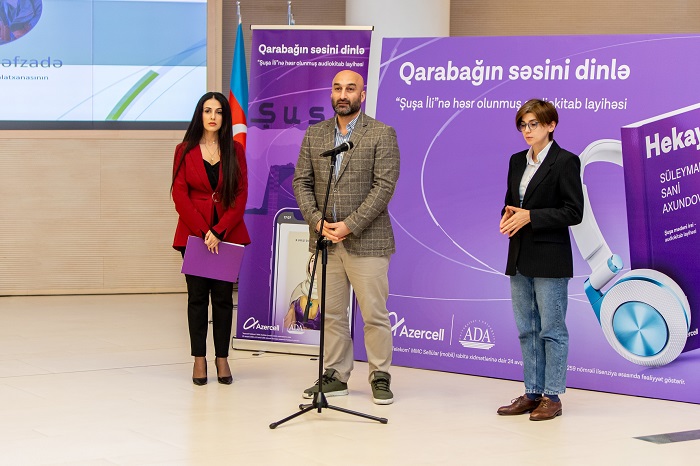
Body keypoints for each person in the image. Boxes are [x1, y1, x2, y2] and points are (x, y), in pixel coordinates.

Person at [292, 69, 400, 405]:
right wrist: (317, 221)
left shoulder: (381, 133)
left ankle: (380, 375)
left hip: (367, 241)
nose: (343, 94)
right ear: (331, 94)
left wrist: (350, 225)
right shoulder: (315, 134)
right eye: (337, 88)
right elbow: (301, 182)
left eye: (350, 89)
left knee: (374, 315)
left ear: (362, 95)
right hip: (326, 241)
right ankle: (336, 375)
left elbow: (384, 186)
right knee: (332, 313)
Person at [497, 98, 583, 420]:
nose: (527, 130)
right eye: (523, 125)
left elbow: (573, 212)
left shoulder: (565, 161)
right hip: (520, 255)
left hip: (550, 257)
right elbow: (511, 201)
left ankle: (553, 397)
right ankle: (532, 392)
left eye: (534, 124)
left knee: (552, 330)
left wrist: (531, 216)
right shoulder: (516, 161)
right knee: (527, 329)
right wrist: (507, 215)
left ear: (551, 125)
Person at [171, 91, 250, 386]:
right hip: (194, 236)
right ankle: (199, 359)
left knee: (222, 298)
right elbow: (180, 194)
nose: (213, 116)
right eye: (207, 111)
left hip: (226, 235)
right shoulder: (184, 150)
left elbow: (241, 194)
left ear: (224, 117)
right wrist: (204, 231)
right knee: (196, 298)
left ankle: (222, 358)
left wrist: (219, 230)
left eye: (218, 111)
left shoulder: (235, 150)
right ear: (200, 115)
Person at [283, 254, 321, 332]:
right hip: (299, 337)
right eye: (312, 261)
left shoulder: (330, 293)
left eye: (319, 261)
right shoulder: (299, 289)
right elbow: (288, 324)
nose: (315, 265)